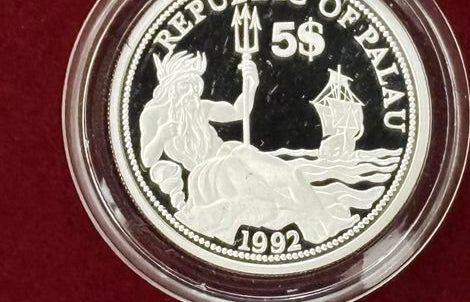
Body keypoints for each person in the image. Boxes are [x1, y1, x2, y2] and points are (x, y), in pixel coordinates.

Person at [140, 50, 356, 244]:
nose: (191, 91)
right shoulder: (153, 115)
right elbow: (147, 160)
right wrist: (160, 137)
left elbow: (237, 111)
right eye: (184, 85)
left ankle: (329, 222)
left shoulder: (200, 108)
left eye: (194, 85)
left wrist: (251, 84)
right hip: (204, 174)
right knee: (244, 173)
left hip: (229, 152)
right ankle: (299, 212)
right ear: (170, 87)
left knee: (293, 173)